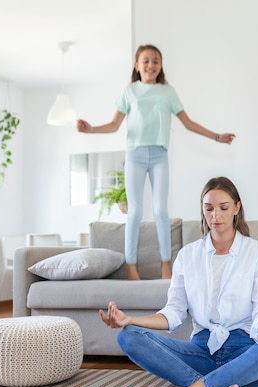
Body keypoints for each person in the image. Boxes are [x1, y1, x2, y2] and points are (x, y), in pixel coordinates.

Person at [99, 176, 258, 387]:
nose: (215, 215)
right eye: (209, 208)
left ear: (237, 208)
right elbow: (174, 312)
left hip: (243, 355)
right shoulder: (187, 255)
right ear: (203, 211)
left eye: (224, 207)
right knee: (127, 335)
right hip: (200, 352)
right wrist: (130, 319)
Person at [77, 45, 235, 281]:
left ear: (160, 65)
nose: (151, 65)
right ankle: (131, 266)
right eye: (146, 61)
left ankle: (165, 265)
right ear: (136, 65)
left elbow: (188, 123)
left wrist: (216, 136)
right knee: (136, 211)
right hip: (135, 154)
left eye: (155, 61)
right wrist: (91, 130)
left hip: (159, 154)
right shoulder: (130, 91)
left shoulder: (167, 92)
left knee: (161, 210)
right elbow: (114, 125)